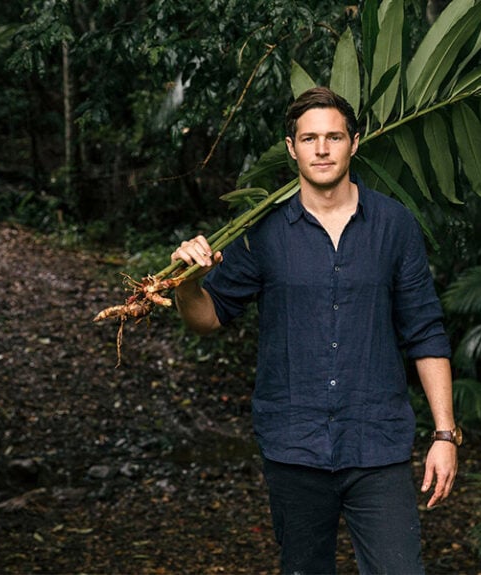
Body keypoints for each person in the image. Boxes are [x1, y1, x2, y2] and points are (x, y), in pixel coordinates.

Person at [171, 86, 459, 574]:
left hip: (377, 446)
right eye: (309, 138)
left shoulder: (394, 225)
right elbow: (208, 317)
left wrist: (445, 435)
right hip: (294, 446)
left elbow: (425, 332)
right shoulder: (262, 232)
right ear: (291, 148)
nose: (322, 149)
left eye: (333, 137)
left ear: (355, 142)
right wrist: (188, 285)